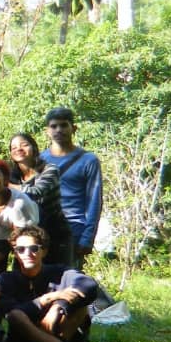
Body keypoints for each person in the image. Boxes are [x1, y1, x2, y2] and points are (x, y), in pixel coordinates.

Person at [0, 226, 110, 342]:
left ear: (44, 251)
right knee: (15, 315)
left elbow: (89, 285)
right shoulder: (6, 279)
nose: (27, 253)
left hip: (65, 336)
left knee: (80, 306)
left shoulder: (60, 272)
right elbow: (12, 312)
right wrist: (48, 298)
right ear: (15, 253)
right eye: (21, 249)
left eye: (34, 248)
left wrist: (59, 306)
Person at [39, 107, 103, 270]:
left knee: (69, 279)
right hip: (45, 227)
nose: (59, 130)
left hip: (74, 227)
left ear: (73, 128)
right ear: (47, 131)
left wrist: (87, 237)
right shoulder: (40, 159)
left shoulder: (88, 160)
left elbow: (94, 201)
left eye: (63, 125)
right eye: (54, 126)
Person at [8, 132, 73, 265]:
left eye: (24, 145)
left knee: (59, 276)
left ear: (34, 148)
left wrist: (6, 185)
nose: (18, 149)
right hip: (27, 236)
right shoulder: (12, 176)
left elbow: (37, 192)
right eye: (14, 148)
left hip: (55, 231)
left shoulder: (49, 169)